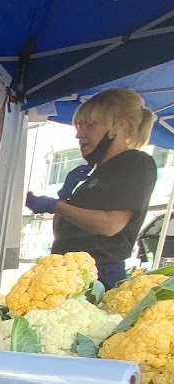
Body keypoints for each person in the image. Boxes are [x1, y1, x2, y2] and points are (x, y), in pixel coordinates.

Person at [26, 88, 157, 289]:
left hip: (99, 276)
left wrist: (56, 206)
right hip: (68, 273)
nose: (79, 134)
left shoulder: (136, 162)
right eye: (79, 126)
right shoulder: (95, 172)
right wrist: (63, 198)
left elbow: (111, 225)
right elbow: (61, 234)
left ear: (118, 126)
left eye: (90, 124)